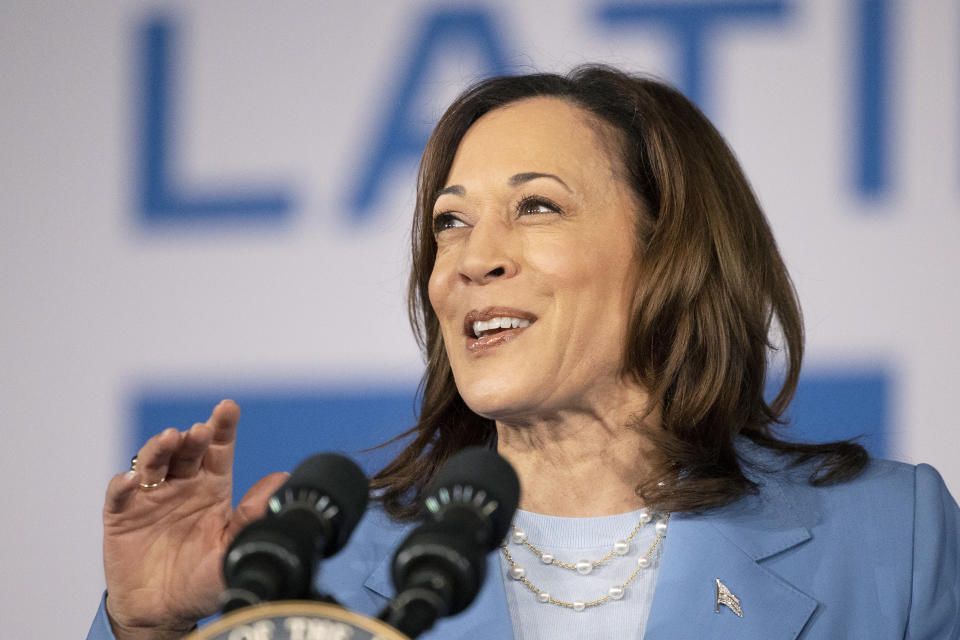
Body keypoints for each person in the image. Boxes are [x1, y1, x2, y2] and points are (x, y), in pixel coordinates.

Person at [87, 66, 959, 640]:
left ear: (672, 247)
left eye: (536, 207)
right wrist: (147, 628)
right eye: (449, 222)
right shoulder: (319, 575)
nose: (472, 259)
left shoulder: (890, 540)